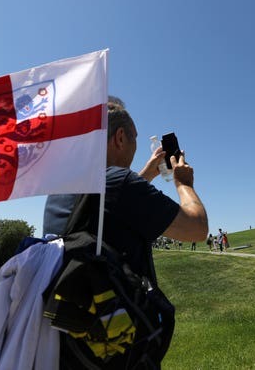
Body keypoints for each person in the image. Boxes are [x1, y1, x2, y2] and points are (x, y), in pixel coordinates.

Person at [43, 96, 209, 367]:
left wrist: (148, 173)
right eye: (134, 138)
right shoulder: (121, 184)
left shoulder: (66, 189)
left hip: (73, 339)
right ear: (120, 138)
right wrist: (183, 183)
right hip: (119, 347)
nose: (134, 145)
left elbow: (106, 208)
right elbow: (197, 228)